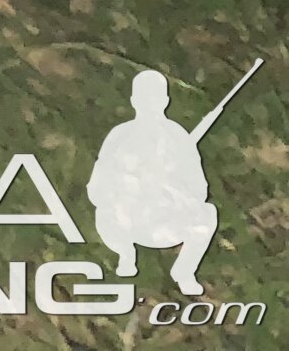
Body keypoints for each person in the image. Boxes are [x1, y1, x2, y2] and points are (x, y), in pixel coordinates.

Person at [88, 70, 222, 295]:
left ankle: (185, 272)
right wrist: (128, 186)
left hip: (168, 220)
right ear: (133, 101)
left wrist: (173, 187)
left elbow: (199, 188)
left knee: (207, 214)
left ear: (165, 101)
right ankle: (126, 254)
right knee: (103, 213)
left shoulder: (178, 137)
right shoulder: (119, 136)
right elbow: (97, 185)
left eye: (155, 98)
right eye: (144, 98)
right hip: (128, 221)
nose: (150, 105)